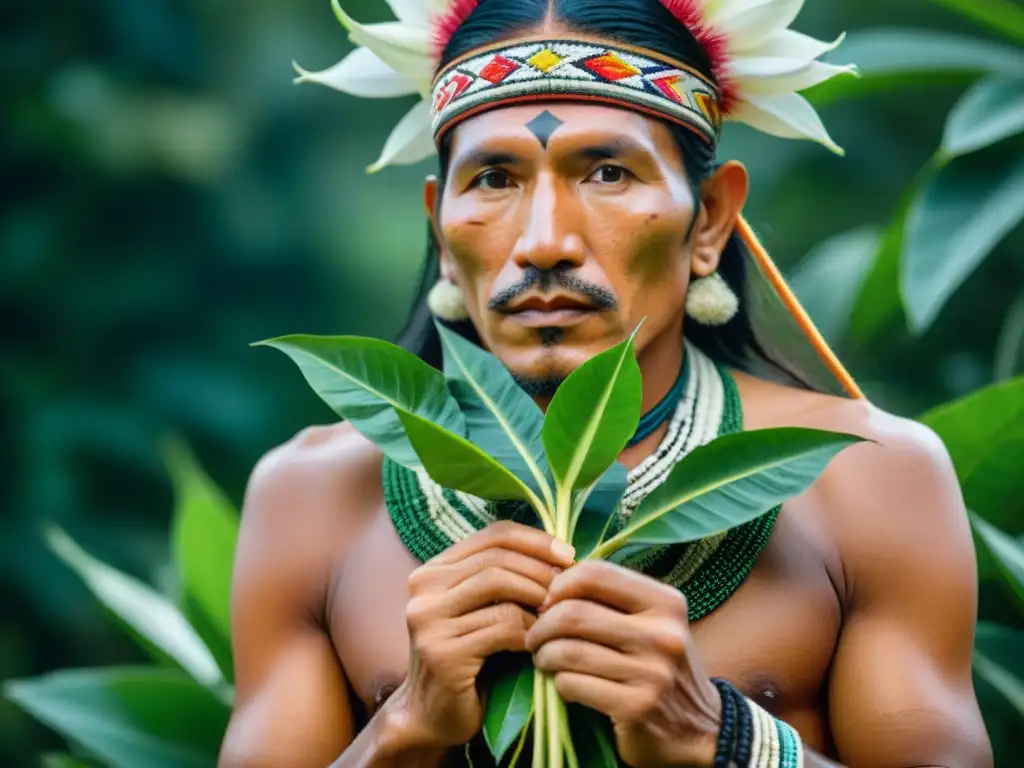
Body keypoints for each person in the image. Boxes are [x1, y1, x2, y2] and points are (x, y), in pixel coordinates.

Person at [219, 1, 993, 766]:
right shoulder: (311, 499)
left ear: (712, 220)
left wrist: (718, 738)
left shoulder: (868, 478)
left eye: (609, 172)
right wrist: (406, 728)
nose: (545, 242)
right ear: (441, 236)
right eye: (494, 178)